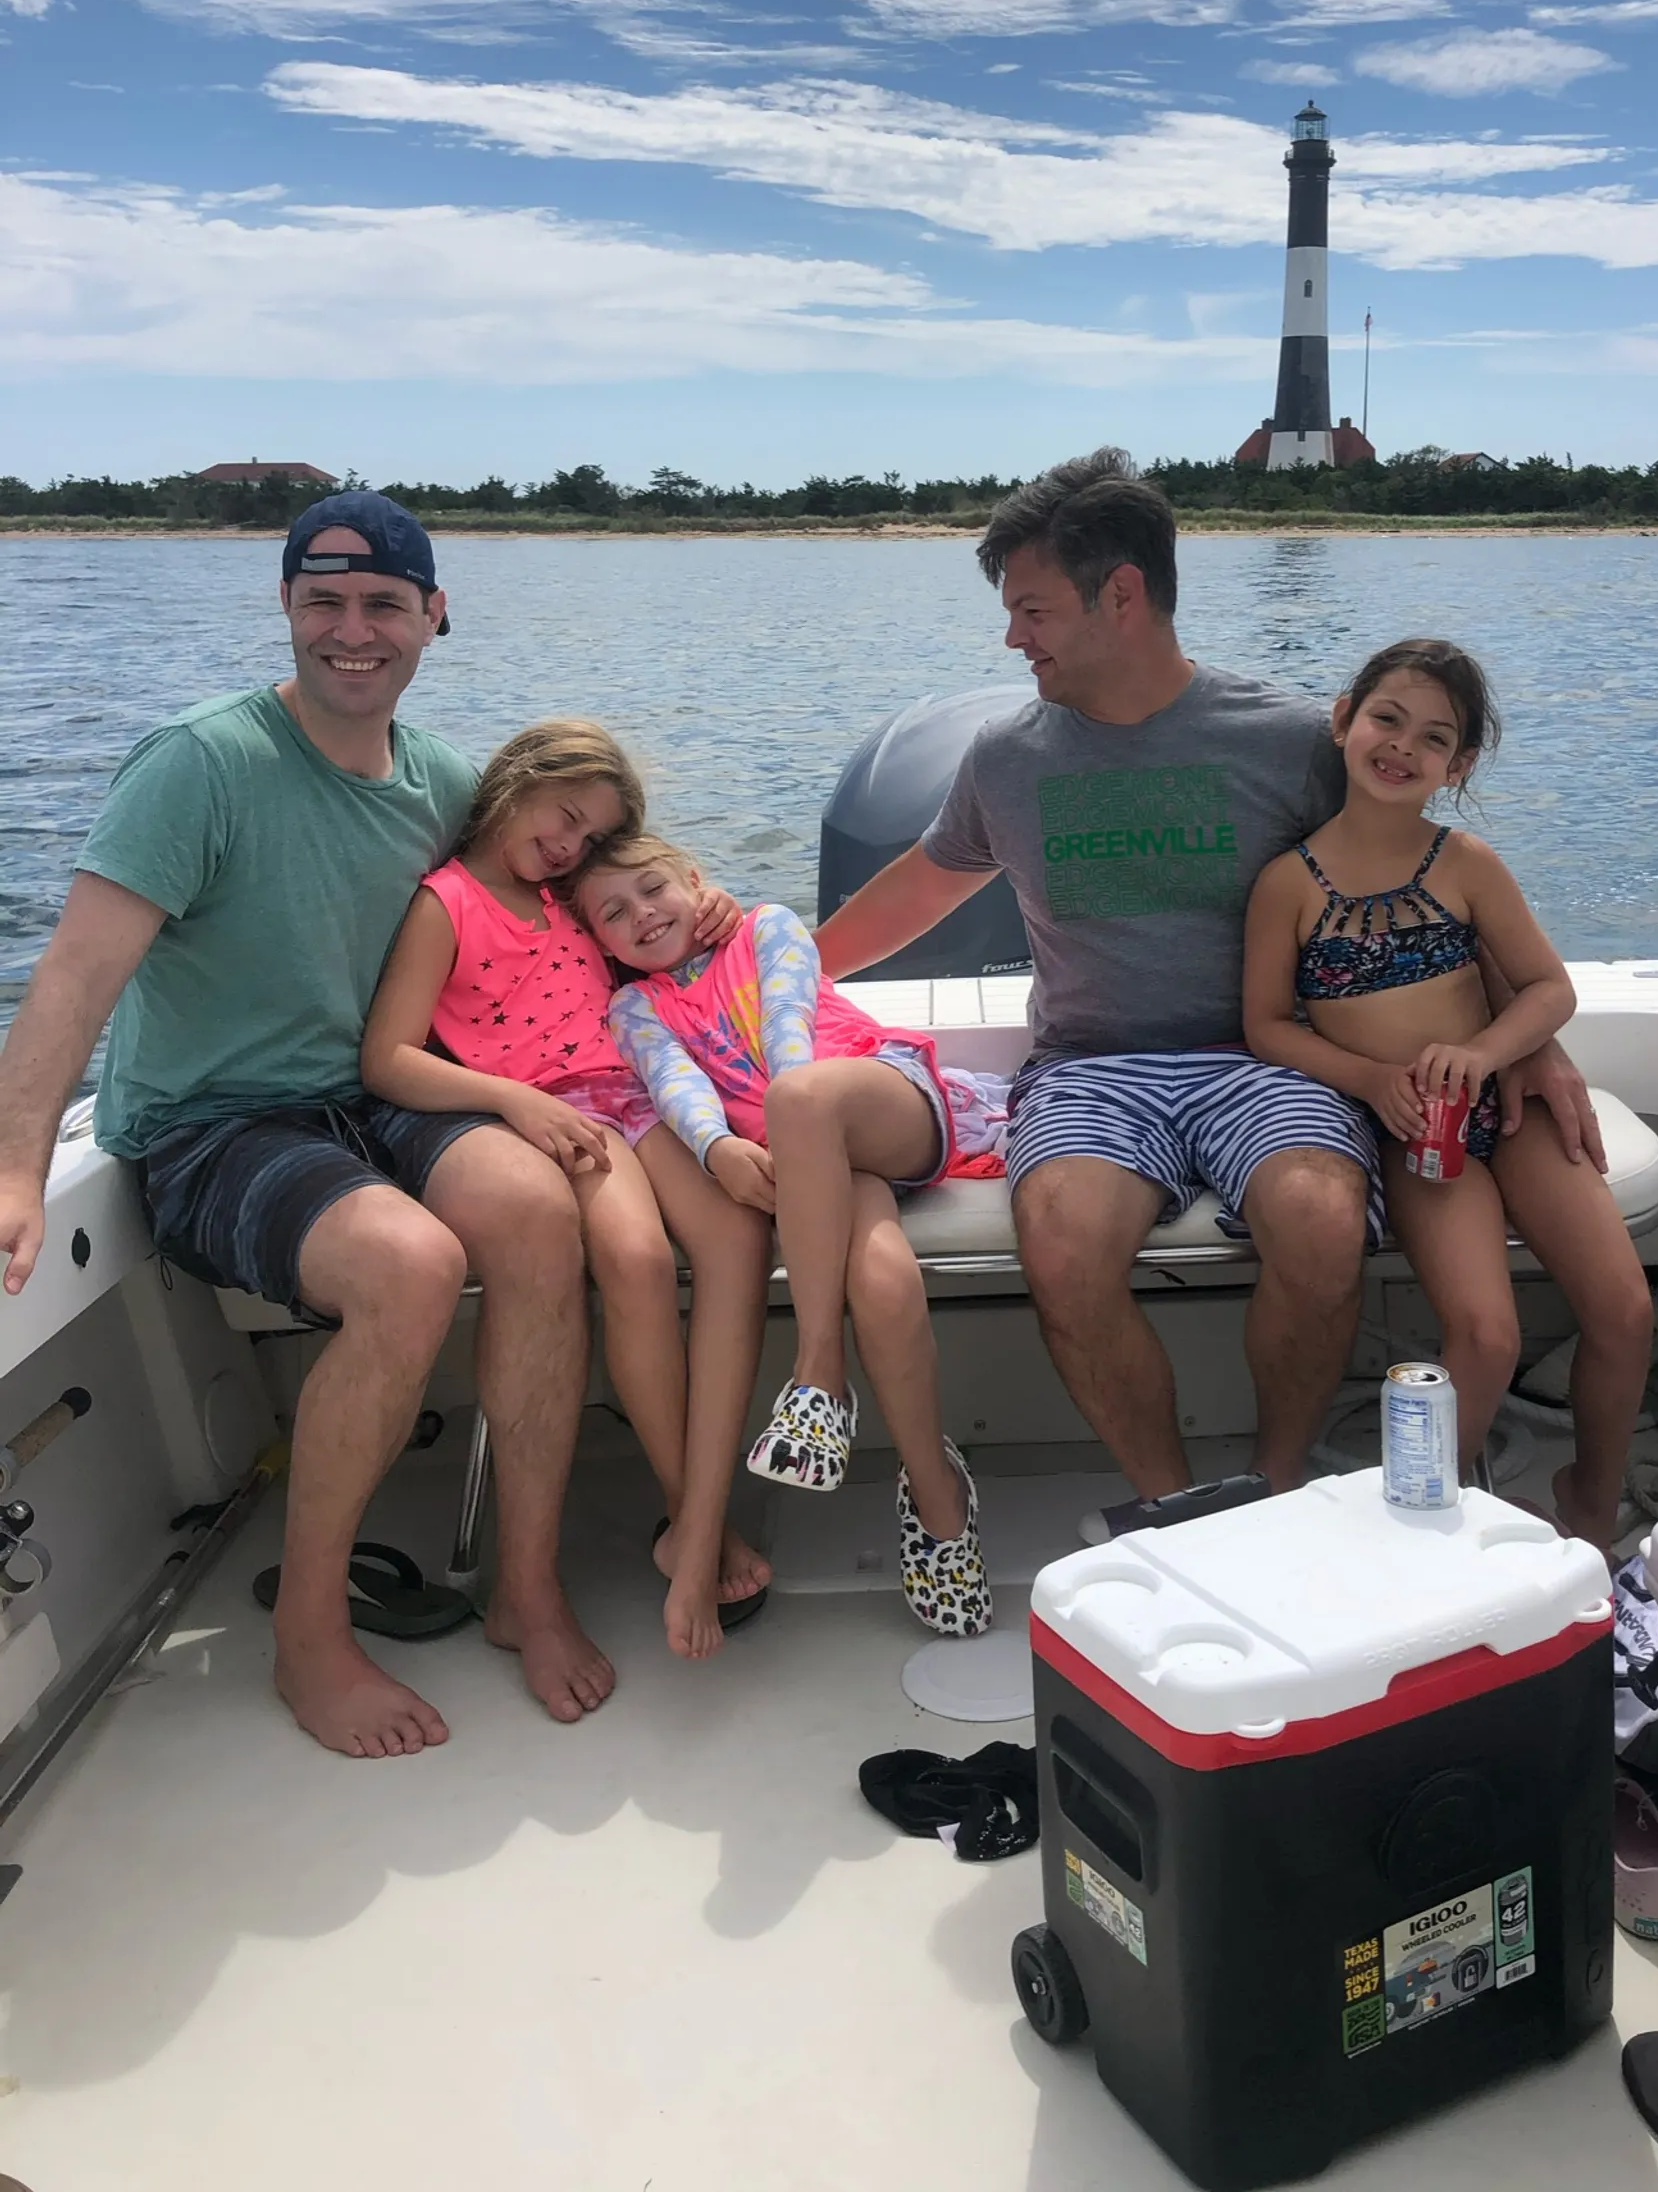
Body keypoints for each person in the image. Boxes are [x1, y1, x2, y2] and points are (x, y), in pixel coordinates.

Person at [811, 450, 1610, 1520]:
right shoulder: (1005, 760)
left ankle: (1273, 1494)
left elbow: (1423, 880)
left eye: (1035, 610)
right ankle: (1182, 1510)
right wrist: (756, 973)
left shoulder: (1291, 741)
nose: (1014, 638)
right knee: (1061, 1240)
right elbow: (916, 891)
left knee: (1323, 1222)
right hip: (1092, 1070)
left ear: (1123, 596)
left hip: (1265, 1061)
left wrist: (1537, 1043)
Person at [1, 493, 619, 1757]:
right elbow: (74, 974)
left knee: (536, 1213)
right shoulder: (201, 763)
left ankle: (528, 1584)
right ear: (283, 609)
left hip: (377, 1097)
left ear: (434, 616)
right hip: (214, 1123)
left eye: (383, 603)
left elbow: (578, 890)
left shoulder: (446, 783)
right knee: (409, 1263)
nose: (353, 630)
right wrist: (16, 1169)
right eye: (322, 602)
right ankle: (310, 1640)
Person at [358, 721, 774, 1661]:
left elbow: (653, 927)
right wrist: (510, 1101)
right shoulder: (448, 903)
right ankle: (688, 1513)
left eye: (590, 837)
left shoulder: (570, 898)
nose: (569, 845)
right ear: (519, 780)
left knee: (741, 1240)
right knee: (632, 1257)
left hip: (648, 1085)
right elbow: (385, 1059)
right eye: (566, 816)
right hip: (558, 1111)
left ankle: (700, 1517)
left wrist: (715, 907)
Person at [1241, 640, 1653, 1549]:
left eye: (1434, 739)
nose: (1401, 747)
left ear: (1457, 765)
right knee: (1486, 1336)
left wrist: (1489, 1051)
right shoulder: (1288, 884)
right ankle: (1424, 1530)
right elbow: (1268, 1024)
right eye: (1387, 719)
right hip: (1420, 1136)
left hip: (1512, 1114)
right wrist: (1376, 1082)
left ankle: (1589, 1500)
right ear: (1345, 718)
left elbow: (1550, 988)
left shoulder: (1467, 864)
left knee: (1624, 1313)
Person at [573, 833, 998, 1636]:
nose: (642, 915)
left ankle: (817, 1376)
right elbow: (674, 1084)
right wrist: (717, 1148)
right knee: (878, 1277)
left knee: (799, 1097)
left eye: (653, 888)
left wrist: (779, 1114)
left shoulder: (765, 927)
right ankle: (940, 1496)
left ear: (694, 880)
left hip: (886, 1103)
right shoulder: (635, 1008)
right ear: (598, 941)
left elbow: (789, 1028)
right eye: (613, 913)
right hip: (812, 1165)